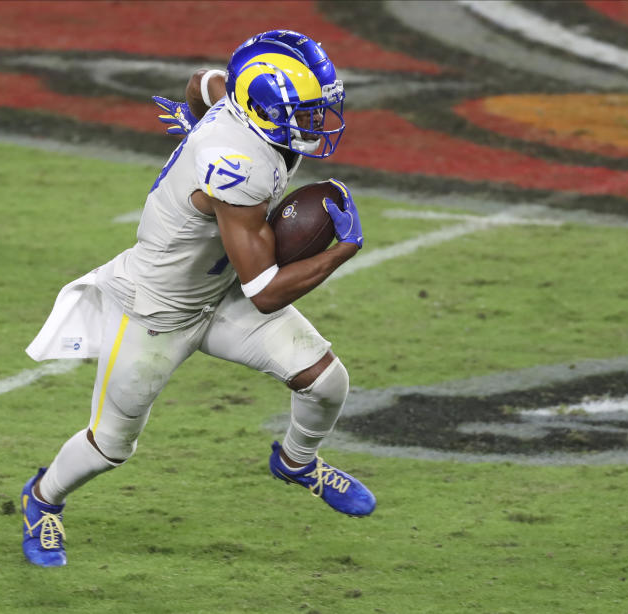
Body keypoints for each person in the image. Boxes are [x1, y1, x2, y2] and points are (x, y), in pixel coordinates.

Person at [21, 30, 375, 568]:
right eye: (301, 111)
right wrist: (344, 249)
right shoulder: (238, 163)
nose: (312, 121)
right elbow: (265, 291)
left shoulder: (238, 101)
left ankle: (297, 462)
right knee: (111, 445)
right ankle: (42, 500)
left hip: (217, 291)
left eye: (315, 108)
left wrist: (194, 128)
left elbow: (201, 83)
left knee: (326, 382)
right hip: (157, 309)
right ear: (258, 107)